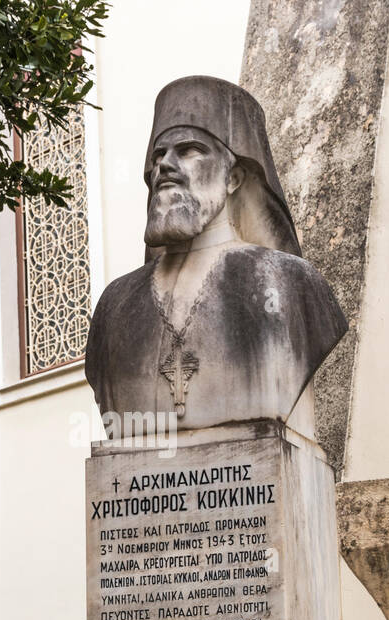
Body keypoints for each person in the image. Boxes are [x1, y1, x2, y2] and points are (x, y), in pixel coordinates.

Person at [85, 75, 347, 439]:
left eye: (189, 150)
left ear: (234, 178)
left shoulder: (293, 285)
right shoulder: (114, 307)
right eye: (159, 155)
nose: (165, 166)